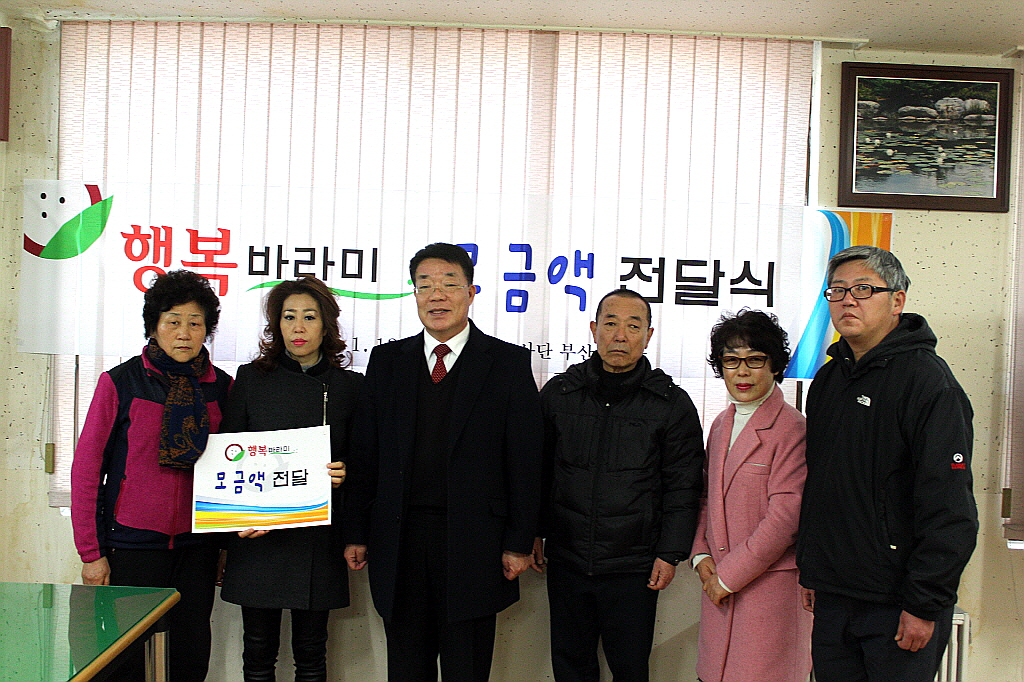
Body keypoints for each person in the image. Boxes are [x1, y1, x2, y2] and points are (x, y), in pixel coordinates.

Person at [344, 242, 544, 682]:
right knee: (406, 668)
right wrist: (356, 530)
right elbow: (365, 454)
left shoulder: (507, 363)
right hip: (400, 540)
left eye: (449, 284)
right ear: (414, 293)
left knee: (465, 668)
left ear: (471, 292)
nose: (436, 295)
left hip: (476, 543)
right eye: (425, 285)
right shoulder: (387, 362)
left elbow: (527, 460)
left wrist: (519, 541)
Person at [797, 245, 978, 682]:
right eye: (837, 290)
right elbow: (820, 486)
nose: (847, 301)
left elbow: (949, 508)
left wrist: (925, 603)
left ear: (897, 301)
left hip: (899, 603)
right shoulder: (829, 379)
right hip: (835, 595)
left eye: (863, 289)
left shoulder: (928, 382)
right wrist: (813, 569)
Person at [533, 288, 704, 682]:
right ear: (594, 329)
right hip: (568, 559)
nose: (620, 335)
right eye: (610, 324)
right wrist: (534, 532)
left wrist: (670, 552)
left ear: (649, 335)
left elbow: (683, 486)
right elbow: (537, 472)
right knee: (571, 667)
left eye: (633, 326)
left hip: (634, 566)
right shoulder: (560, 394)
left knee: (630, 668)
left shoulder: (671, 404)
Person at [71, 269, 232, 682]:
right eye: (173, 321)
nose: (184, 333)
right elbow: (87, 471)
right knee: (126, 660)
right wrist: (91, 553)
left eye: (195, 323)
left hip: (197, 548)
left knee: (190, 654)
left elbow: (234, 470)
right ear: (154, 326)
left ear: (207, 330)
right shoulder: (120, 382)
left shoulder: (223, 388)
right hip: (131, 545)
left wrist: (225, 544)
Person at [219, 275, 363, 682]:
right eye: (288, 317)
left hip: (318, 536)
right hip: (257, 534)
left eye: (309, 317)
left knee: (312, 654)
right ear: (276, 325)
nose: (298, 327)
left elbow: (367, 460)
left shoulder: (350, 386)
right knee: (257, 652)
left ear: (326, 325)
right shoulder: (251, 379)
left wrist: (346, 470)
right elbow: (228, 457)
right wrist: (232, 524)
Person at [690, 309, 811, 682]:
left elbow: (785, 518)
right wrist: (701, 556)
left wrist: (727, 577)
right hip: (718, 585)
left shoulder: (792, 428)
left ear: (775, 366)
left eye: (754, 360)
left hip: (768, 590)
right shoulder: (721, 423)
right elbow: (706, 498)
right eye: (731, 360)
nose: (742, 372)